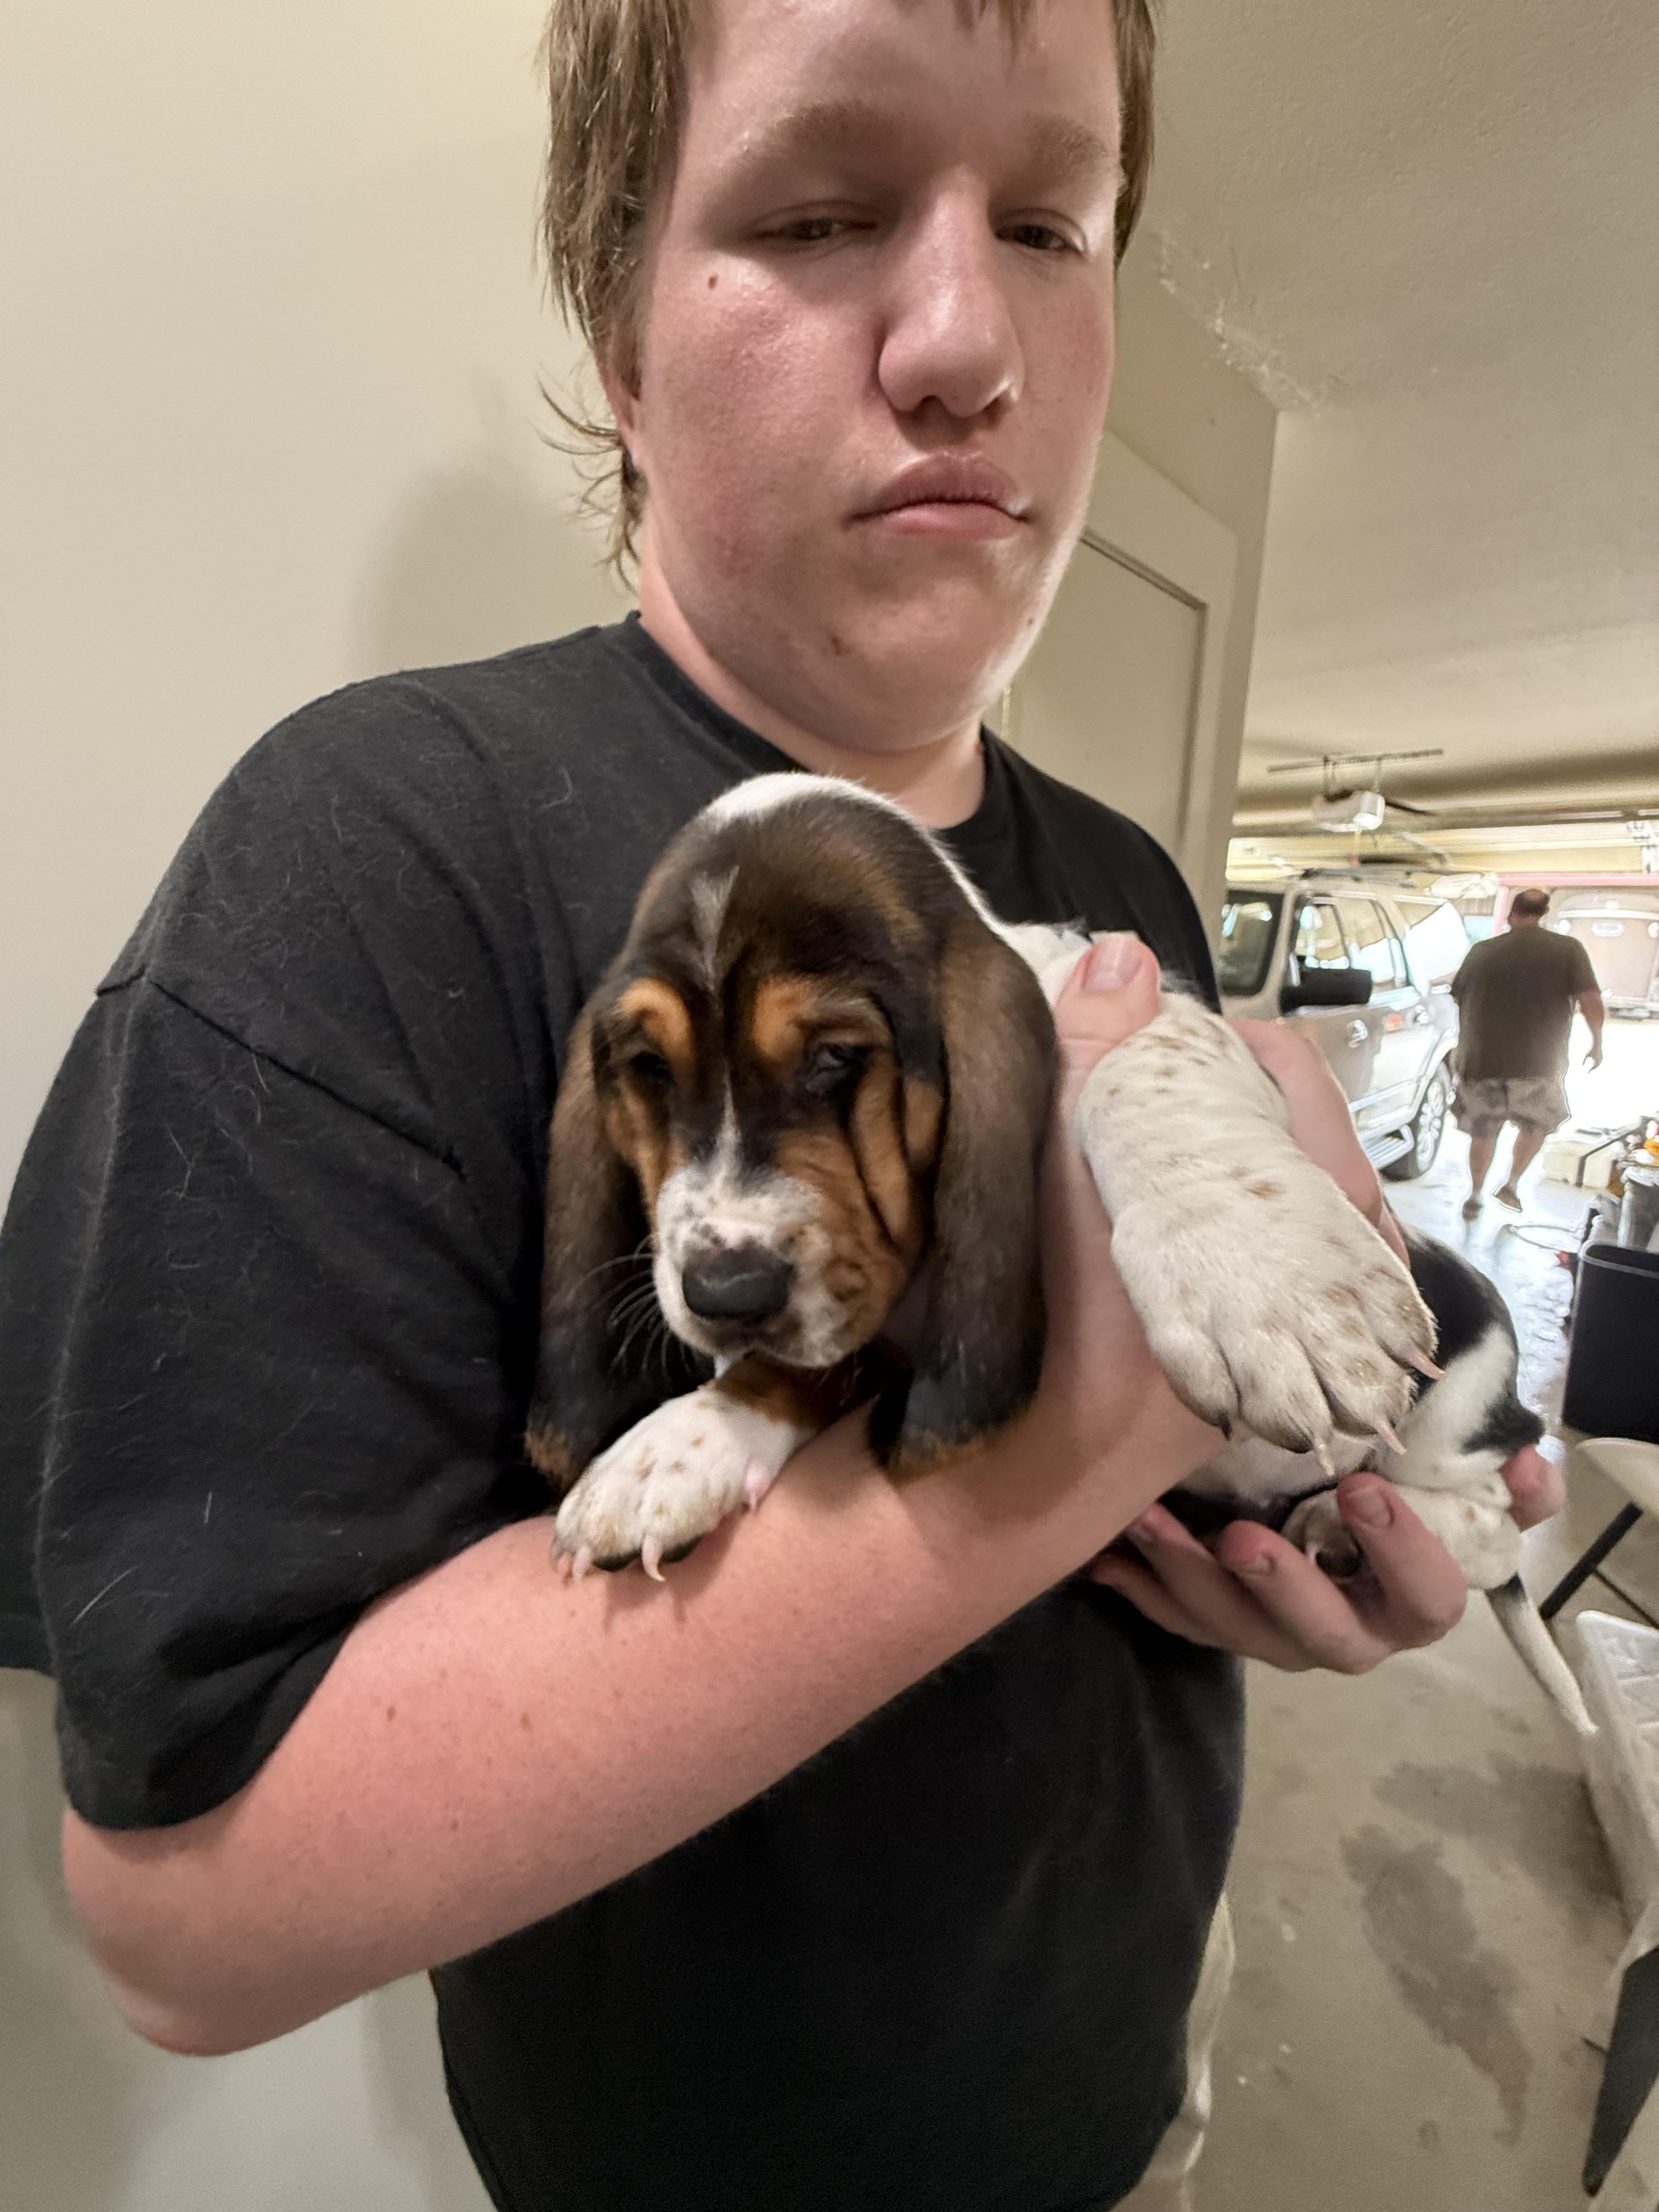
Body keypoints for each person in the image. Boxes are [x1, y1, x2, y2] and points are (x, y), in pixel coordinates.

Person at [0, 4, 1562, 2208]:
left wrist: (1301, 1529)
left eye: (1051, 223)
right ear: (622, 348)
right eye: (822, 212)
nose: (968, 342)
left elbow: (1185, 1429)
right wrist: (1072, 1431)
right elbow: (187, 1913)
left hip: (1132, 2064)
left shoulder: (1120, 880)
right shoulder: (373, 843)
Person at [1452, 886, 1605, 1220]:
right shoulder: (1568, 950)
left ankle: (1475, 1194)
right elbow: (1591, 998)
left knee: (1484, 1131)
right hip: (1540, 1063)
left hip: (1483, 1060)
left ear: (1512, 914)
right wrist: (1597, 1042)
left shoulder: (1482, 951)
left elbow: (1460, 997)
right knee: (1536, 1126)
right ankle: (1511, 1183)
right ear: (1544, 914)